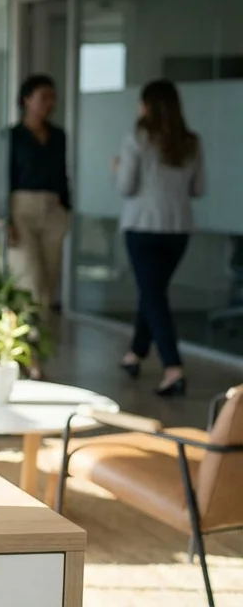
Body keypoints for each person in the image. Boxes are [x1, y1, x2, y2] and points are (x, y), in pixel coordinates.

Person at [114, 79, 205, 396]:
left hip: (143, 226)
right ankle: (135, 354)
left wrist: (117, 168)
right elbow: (198, 189)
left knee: (153, 296)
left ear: (149, 106)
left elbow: (126, 186)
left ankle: (173, 367)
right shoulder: (191, 142)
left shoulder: (137, 137)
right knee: (152, 292)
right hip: (178, 229)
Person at [0, 74, 72, 314]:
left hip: (53, 209)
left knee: (49, 279)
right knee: (29, 278)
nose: (50, 103)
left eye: (53, 98)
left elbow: (63, 173)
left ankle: (40, 339)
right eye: (44, 97)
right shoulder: (12, 136)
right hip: (22, 209)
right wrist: (5, 219)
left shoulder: (58, 136)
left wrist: (65, 208)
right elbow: (0, 178)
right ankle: (28, 338)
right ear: (27, 100)